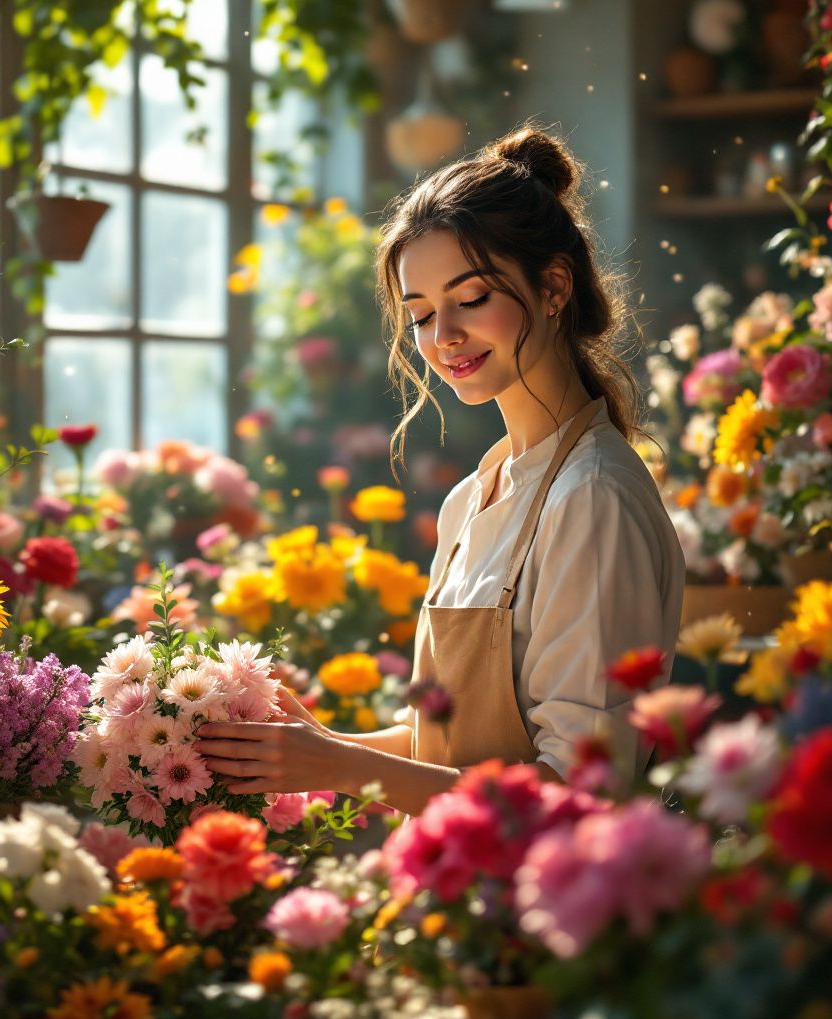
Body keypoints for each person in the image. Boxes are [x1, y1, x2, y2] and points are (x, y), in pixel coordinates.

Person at [194, 124, 685, 816]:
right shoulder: (471, 498)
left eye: (472, 298)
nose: (443, 336)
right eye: (420, 313)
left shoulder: (591, 496)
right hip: (462, 893)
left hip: (557, 904)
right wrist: (320, 748)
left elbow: (580, 794)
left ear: (552, 286)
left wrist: (337, 762)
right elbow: (457, 749)